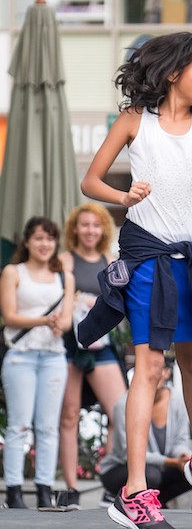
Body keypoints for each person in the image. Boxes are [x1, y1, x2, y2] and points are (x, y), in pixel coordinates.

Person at [77, 2, 192, 527]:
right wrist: (123, 197)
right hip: (146, 256)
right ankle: (135, 490)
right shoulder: (135, 121)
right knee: (150, 368)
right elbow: (90, 181)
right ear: (174, 72)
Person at [57, 203, 128, 510]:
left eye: (95, 225)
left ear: (103, 229)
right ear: (75, 229)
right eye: (84, 224)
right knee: (69, 415)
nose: (90, 230)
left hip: (102, 344)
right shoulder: (64, 260)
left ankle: (109, 482)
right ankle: (71, 487)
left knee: (120, 412)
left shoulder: (110, 261)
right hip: (69, 345)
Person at [0, 217, 75, 509]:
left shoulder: (64, 276)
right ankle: (14, 491)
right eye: (39, 238)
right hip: (21, 354)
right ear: (27, 242)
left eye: (50, 238)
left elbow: (67, 320)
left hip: (53, 356)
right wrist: (45, 321)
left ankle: (45, 489)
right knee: (19, 425)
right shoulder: (13, 272)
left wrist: (58, 324)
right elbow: (9, 315)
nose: (45, 244)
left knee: (48, 426)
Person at [100, 357, 192, 508]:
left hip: (160, 467)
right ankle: (120, 496)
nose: (153, 372)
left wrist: (184, 456)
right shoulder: (123, 404)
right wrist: (172, 462)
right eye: (147, 367)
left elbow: (180, 441)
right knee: (151, 475)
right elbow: (127, 454)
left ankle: (158, 503)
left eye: (158, 368)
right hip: (121, 467)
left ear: (167, 373)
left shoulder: (177, 399)